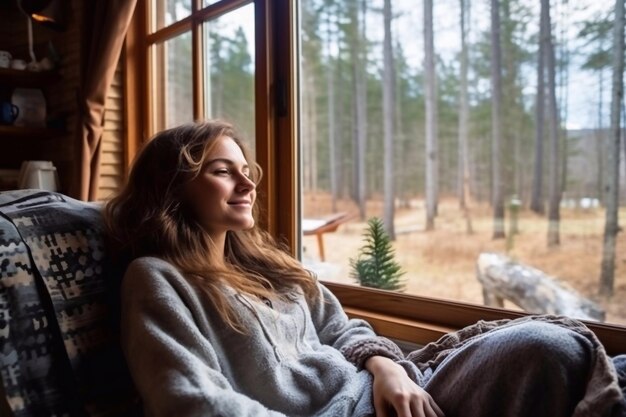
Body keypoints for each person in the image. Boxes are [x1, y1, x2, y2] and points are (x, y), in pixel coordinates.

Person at [104, 120, 626, 417]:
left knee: (556, 348)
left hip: (395, 389)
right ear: (173, 186)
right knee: (556, 355)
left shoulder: (270, 270)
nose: (248, 184)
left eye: (248, 171)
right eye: (223, 172)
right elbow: (193, 402)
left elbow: (344, 328)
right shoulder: (158, 280)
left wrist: (390, 369)